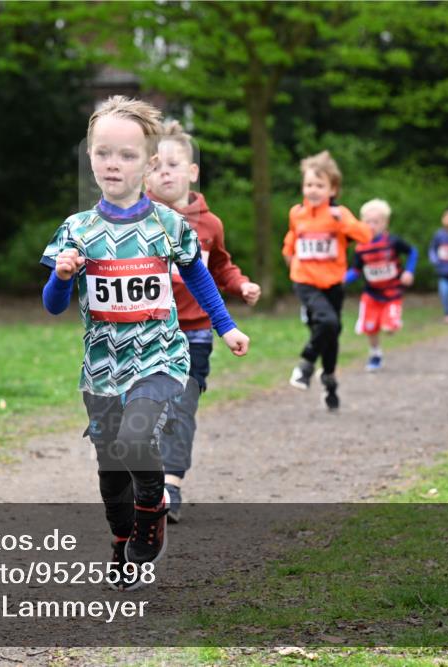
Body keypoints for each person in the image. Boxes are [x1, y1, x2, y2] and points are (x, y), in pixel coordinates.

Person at [40, 96, 249, 590]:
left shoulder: (168, 224)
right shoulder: (77, 230)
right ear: (90, 155)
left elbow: (200, 281)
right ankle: (121, 540)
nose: (113, 163)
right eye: (102, 152)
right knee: (112, 473)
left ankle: (152, 514)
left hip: (159, 357)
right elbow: (52, 306)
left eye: (127, 155)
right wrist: (64, 277)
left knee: (138, 439)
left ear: (150, 163)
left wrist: (227, 327)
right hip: (102, 368)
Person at [144, 120, 260, 523]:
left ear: (192, 172)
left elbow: (222, 268)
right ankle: (143, 481)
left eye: (173, 164)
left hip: (194, 335)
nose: (164, 172)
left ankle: (171, 486)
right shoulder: (135, 221)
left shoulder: (209, 226)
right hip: (144, 334)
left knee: (181, 408)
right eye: (155, 164)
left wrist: (240, 285)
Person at [283, 150, 372, 410]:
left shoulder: (339, 214)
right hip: (306, 282)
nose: (313, 190)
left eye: (319, 185)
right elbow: (291, 241)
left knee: (331, 333)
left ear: (332, 188)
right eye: (309, 184)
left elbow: (365, 236)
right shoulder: (297, 213)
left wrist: (343, 222)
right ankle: (306, 365)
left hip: (333, 283)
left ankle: (330, 381)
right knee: (327, 322)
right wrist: (290, 257)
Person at [345, 199, 417, 372]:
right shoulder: (361, 247)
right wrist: (340, 279)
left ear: (385, 223)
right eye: (367, 222)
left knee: (388, 328)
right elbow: (356, 271)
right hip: (371, 294)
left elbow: (413, 251)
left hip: (392, 293)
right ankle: (375, 354)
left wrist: (409, 271)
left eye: (376, 222)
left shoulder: (392, 241)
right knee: (370, 328)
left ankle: (392, 323)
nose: (371, 225)